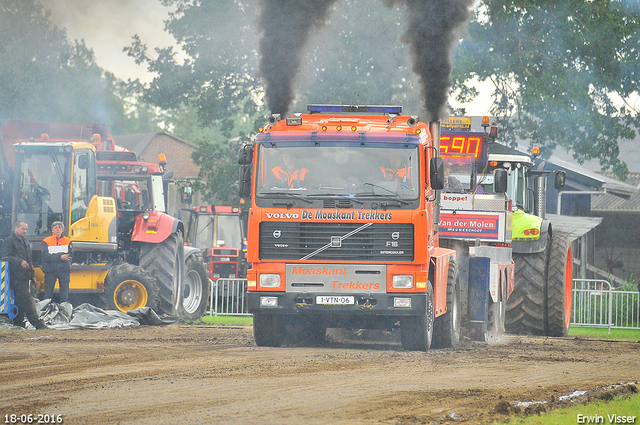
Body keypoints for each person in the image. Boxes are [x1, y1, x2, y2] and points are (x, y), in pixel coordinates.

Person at [1, 221, 48, 329]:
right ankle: (38, 324)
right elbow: (4, 257)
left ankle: (18, 323)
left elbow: (29, 260)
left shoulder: (25, 241)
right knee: (27, 299)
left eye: (26, 229)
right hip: (14, 276)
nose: (25, 231)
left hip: (25, 277)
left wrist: (32, 275)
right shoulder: (9, 241)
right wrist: (19, 262)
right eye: (23, 229)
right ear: (16, 228)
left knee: (20, 301)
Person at [41, 221, 73, 303]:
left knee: (64, 294)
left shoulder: (68, 241)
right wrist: (60, 257)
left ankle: (64, 310)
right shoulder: (46, 241)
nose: (58, 229)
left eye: (60, 227)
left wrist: (54, 256)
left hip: (64, 270)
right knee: (48, 294)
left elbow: (70, 255)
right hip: (50, 270)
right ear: (52, 230)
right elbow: (45, 257)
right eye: (55, 228)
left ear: (62, 230)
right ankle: (46, 310)